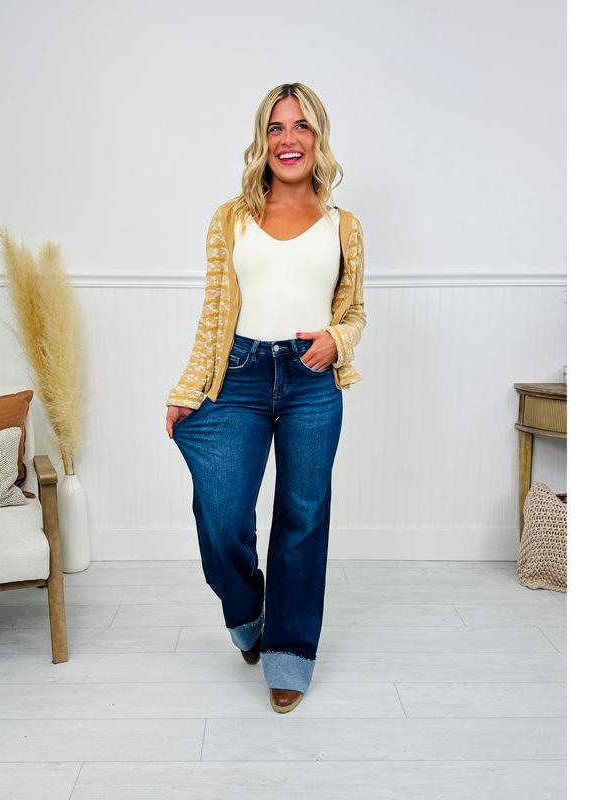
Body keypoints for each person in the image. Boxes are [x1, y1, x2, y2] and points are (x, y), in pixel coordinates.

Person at [165, 82, 367, 713]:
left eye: (301, 126)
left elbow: (354, 312)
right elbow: (213, 314)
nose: (289, 139)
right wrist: (188, 387)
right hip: (240, 374)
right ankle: (248, 610)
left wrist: (338, 338)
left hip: (311, 381)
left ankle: (289, 652)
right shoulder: (230, 218)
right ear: (262, 140)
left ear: (319, 137)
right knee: (223, 515)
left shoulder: (343, 226)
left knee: (303, 518)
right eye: (277, 128)